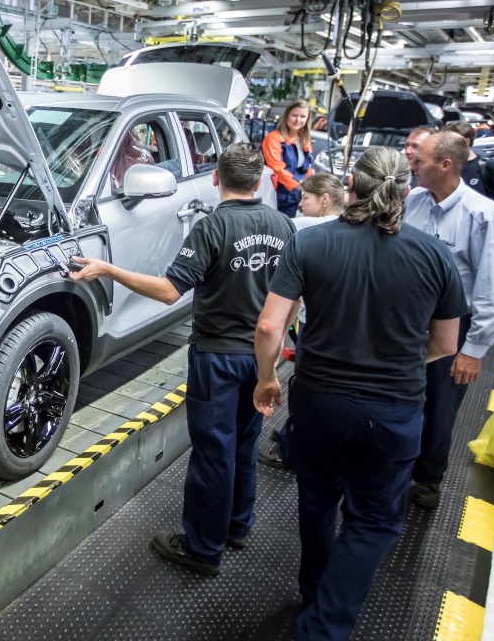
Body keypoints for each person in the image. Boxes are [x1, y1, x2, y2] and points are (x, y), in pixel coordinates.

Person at [253, 146, 467, 641]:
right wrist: (393, 367)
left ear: (350, 185)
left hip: (319, 401)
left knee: (317, 498)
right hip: (393, 411)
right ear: (406, 192)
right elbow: (446, 344)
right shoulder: (434, 254)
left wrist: (267, 378)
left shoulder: (311, 243)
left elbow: (269, 326)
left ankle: (313, 592)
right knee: (371, 521)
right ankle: (325, 624)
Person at [71, 142, 295, 576]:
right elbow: (292, 297)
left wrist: (109, 269)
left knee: (213, 452)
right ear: (259, 179)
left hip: (217, 358)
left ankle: (202, 548)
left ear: (216, 178)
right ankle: (237, 526)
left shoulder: (212, 228)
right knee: (245, 442)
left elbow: (171, 290)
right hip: (260, 358)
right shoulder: (284, 225)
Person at [405, 131, 494, 508]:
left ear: (446, 165)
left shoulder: (481, 214)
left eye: (421, 158)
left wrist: (473, 350)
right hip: (406, 320)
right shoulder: (413, 202)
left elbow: (492, 288)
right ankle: (392, 468)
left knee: (439, 406)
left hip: (452, 324)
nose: (412, 162)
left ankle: (427, 479)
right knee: (399, 397)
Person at [258, 173, 347, 469]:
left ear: (324, 199)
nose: (299, 205)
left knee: (306, 388)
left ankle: (291, 448)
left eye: (305, 199)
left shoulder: (303, 227)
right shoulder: (351, 228)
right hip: (340, 325)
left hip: (312, 324)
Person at [445, 120, 494, 233]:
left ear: (466, 142)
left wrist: (477, 211)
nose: (444, 146)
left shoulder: (490, 168)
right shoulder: (446, 168)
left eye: (449, 142)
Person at [262, 100, 314, 217]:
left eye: (302, 116)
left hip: (295, 194)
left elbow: (308, 166)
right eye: (294, 115)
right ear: (287, 116)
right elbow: (276, 168)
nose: (298, 120)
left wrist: (308, 188)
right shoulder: (273, 138)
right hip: (277, 194)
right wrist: (298, 187)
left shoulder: (304, 139)